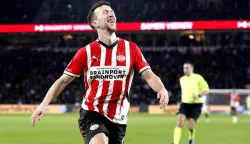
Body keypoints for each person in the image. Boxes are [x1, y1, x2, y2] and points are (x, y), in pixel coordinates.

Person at [30, 1, 169, 144]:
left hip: (119, 119)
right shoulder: (85, 52)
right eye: (105, 12)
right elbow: (62, 81)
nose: (111, 14)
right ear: (95, 23)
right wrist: (43, 104)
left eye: (112, 12)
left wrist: (162, 89)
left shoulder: (131, 49)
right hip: (92, 112)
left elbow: (149, 75)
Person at [172, 62, 209, 144]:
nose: (185, 69)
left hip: (196, 105)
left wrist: (198, 95)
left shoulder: (198, 78)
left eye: (187, 68)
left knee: (190, 127)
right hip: (184, 104)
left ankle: (191, 138)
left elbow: (206, 89)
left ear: (192, 69)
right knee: (179, 123)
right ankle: (175, 142)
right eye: (184, 68)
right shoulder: (182, 79)